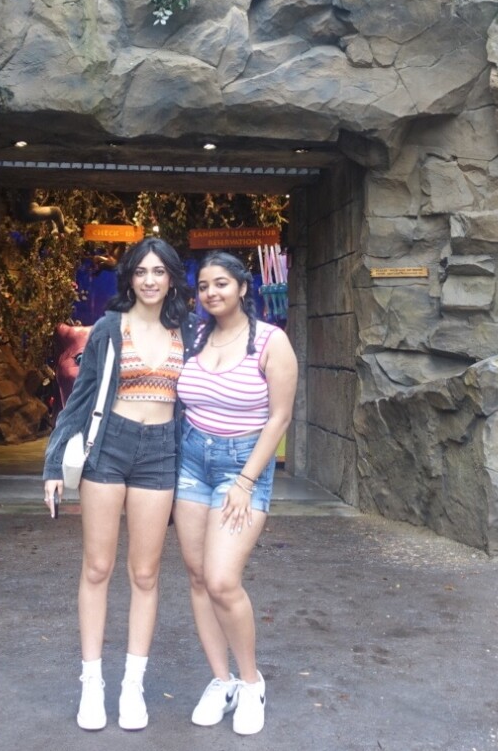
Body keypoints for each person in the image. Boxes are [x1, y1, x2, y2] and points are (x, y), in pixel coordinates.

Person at [43, 237, 201, 732]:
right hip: (109, 445)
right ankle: (92, 683)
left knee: (146, 574)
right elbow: (81, 397)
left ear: (171, 277)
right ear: (130, 277)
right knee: (97, 567)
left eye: (159, 271)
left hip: (160, 452)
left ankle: (133, 685)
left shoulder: (188, 330)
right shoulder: (111, 327)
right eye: (141, 271)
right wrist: (53, 464)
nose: (150, 280)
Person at [174, 250, 297, 736]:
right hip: (191, 461)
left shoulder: (270, 340)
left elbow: (280, 418)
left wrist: (246, 481)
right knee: (198, 576)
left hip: (242, 464)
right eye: (204, 285)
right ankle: (220, 680)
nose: (212, 293)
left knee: (223, 579)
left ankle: (250, 683)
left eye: (221, 283)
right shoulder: (194, 336)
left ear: (243, 287)